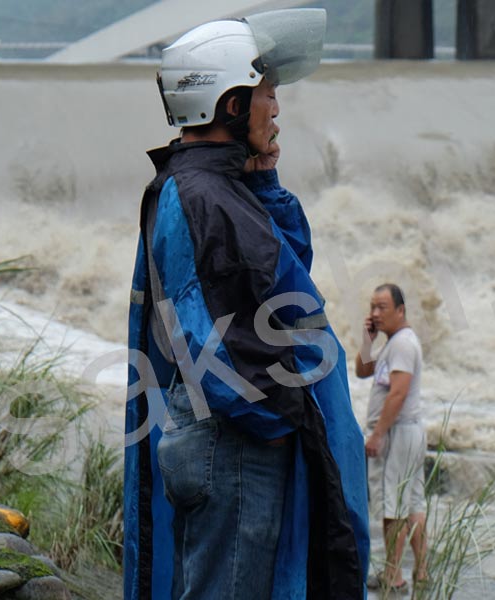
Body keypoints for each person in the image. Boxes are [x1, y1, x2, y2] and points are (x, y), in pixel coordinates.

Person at [122, 10, 369, 600]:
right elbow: (207, 336)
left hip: (238, 442)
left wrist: (265, 182)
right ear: (227, 101)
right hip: (234, 447)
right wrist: (285, 420)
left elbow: (286, 275)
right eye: (265, 92)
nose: (276, 109)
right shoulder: (201, 193)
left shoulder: (218, 187)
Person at [355, 283, 428, 593]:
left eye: (382, 307)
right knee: (412, 503)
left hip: (396, 433)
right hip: (409, 431)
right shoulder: (395, 343)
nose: (375, 313)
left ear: (401, 310)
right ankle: (421, 573)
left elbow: (397, 393)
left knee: (391, 506)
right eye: (372, 307)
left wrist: (377, 435)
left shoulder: (402, 345)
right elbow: (361, 370)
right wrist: (367, 340)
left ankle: (393, 577)